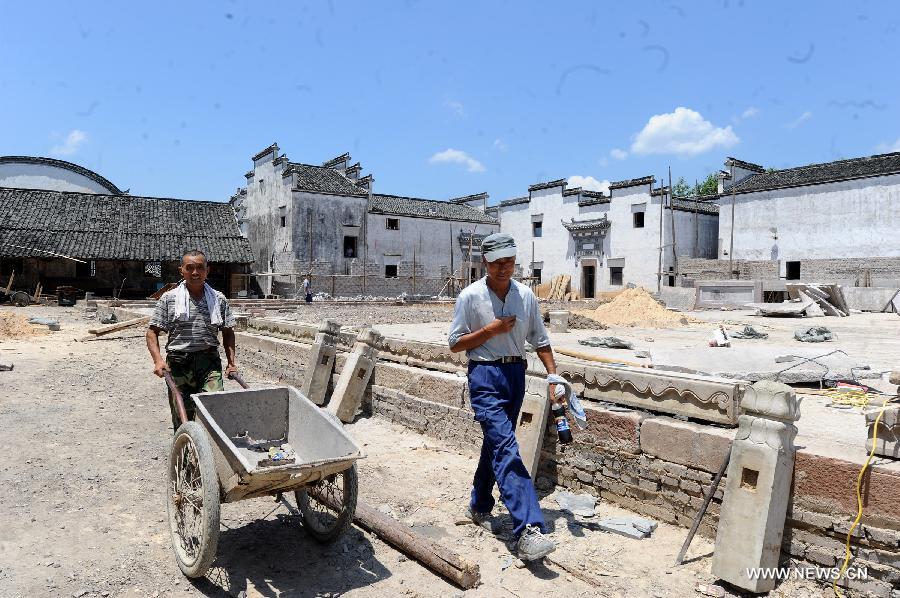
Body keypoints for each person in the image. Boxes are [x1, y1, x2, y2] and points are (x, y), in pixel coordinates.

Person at [448, 232, 561, 562]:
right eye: (497, 263)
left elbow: (540, 340)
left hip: (515, 375)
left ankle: (480, 503)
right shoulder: (470, 297)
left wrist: (554, 376)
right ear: (485, 262)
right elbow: (455, 344)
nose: (504, 268)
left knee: (497, 444)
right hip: (484, 375)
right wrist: (490, 331)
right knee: (506, 447)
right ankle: (528, 528)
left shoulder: (526, 296)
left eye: (509, 262)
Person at [146, 250, 237, 431]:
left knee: (213, 407)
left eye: (200, 268)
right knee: (183, 415)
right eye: (190, 268)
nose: (195, 273)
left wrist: (231, 363)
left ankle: (208, 452)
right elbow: (152, 332)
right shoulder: (169, 299)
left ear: (207, 271)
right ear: (182, 271)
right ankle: (186, 455)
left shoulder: (218, 299)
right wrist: (158, 361)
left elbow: (228, 332)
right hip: (179, 363)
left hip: (209, 362)